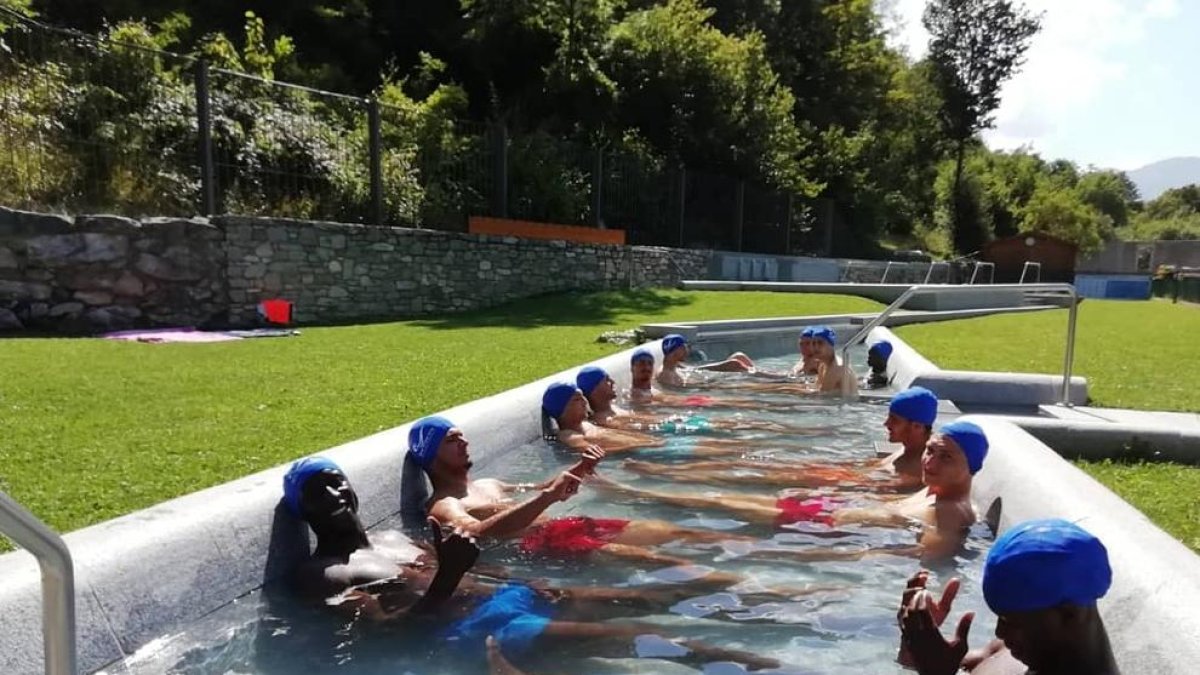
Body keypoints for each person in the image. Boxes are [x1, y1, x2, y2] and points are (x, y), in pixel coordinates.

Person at [284, 459, 782, 670]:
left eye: (337, 480)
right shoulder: (322, 572)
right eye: (317, 489)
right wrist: (453, 578)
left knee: (656, 595)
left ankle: (790, 614)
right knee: (642, 635)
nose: (334, 492)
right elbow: (386, 633)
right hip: (478, 629)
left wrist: (519, 579)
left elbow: (463, 562)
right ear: (302, 509)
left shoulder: (394, 537)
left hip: (511, 595)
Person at [592, 420, 989, 563]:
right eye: (931, 452)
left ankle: (631, 492)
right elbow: (892, 513)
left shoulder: (953, 512)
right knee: (716, 499)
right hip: (823, 512)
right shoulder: (934, 492)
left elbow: (920, 557)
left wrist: (815, 553)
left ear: (970, 467)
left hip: (818, 527)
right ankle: (635, 492)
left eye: (945, 457)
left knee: (714, 501)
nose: (930, 462)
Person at [404, 416, 760, 569]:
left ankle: (767, 559)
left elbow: (542, 487)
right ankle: (767, 594)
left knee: (684, 533)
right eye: (452, 440)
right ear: (430, 455)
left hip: (574, 525)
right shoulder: (443, 505)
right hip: (549, 543)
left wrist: (577, 470)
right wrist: (547, 498)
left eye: (462, 436)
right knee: (668, 563)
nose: (464, 441)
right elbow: (475, 534)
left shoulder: (489, 484)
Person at [898, 518, 1118, 675]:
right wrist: (915, 644)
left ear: (1068, 613)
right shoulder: (1012, 652)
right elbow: (938, 663)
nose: (1000, 633)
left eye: (1010, 621)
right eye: (1001, 618)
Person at [620, 386, 939, 492]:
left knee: (744, 475)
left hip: (832, 489)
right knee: (744, 464)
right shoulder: (907, 453)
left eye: (893, 420)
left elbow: (880, 491)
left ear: (916, 426)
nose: (885, 424)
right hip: (831, 478)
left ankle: (665, 476)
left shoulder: (922, 466)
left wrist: (824, 479)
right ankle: (671, 472)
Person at [577, 365, 837, 436]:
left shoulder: (615, 408)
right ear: (593, 389)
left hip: (675, 423)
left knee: (744, 423)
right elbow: (636, 431)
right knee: (741, 427)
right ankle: (803, 431)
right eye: (605, 381)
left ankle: (802, 431)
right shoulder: (603, 418)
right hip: (670, 431)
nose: (612, 382)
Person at [543, 381, 749, 459]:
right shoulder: (568, 433)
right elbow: (588, 452)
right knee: (724, 454)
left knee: (727, 447)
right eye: (577, 400)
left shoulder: (587, 423)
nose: (584, 402)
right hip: (644, 452)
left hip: (651, 445)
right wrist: (633, 448)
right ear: (562, 408)